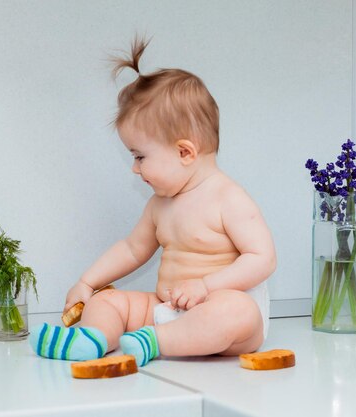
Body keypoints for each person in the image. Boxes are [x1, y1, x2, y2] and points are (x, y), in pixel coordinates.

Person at [29, 37, 276, 367]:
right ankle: (92, 339)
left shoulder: (228, 198)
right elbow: (132, 249)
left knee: (237, 311)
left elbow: (262, 259)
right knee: (110, 301)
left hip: (225, 316)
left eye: (140, 156)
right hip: (168, 308)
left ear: (185, 152)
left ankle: (157, 342)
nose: (135, 168)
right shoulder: (160, 205)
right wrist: (88, 283)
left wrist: (207, 286)